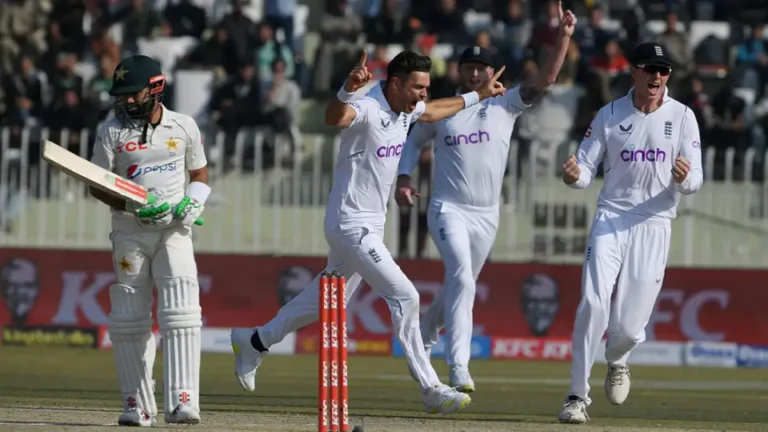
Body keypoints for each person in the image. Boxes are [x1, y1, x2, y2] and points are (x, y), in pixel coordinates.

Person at [230, 49, 507, 413]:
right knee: (406, 296)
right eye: (418, 87)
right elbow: (336, 116)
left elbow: (438, 109)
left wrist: (480, 95)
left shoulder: (407, 108)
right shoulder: (368, 105)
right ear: (394, 83)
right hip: (350, 223)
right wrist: (347, 89)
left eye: (426, 87)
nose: (423, 94)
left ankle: (254, 341)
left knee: (327, 302)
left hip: (370, 223)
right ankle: (431, 388)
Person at [394, 1, 576, 394]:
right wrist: (404, 178)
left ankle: (422, 338)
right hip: (448, 208)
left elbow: (545, 79)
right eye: (468, 67)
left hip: (486, 215)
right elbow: (414, 139)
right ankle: (458, 365)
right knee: (460, 274)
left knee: (462, 284)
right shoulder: (447, 108)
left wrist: (562, 37)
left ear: (494, 73)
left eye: (482, 67)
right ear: (459, 72)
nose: (475, 72)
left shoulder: (506, 104)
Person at [557, 42, 703, 424]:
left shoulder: (683, 116)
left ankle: (618, 358)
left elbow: (696, 178)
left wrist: (685, 180)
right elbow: (586, 168)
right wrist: (575, 177)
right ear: (633, 71)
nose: (657, 76)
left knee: (629, 327)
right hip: (612, 217)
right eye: (649, 69)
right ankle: (576, 396)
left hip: (655, 224)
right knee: (592, 302)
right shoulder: (609, 113)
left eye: (663, 70)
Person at [90, 55, 210, 426]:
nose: (126, 102)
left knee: (181, 312)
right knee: (129, 317)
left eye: (133, 93)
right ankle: (137, 404)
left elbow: (200, 174)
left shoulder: (184, 125)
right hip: (130, 231)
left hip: (174, 230)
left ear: (156, 88)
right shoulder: (110, 131)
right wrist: (132, 206)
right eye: (121, 95)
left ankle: (183, 401)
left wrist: (194, 200)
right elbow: (98, 184)